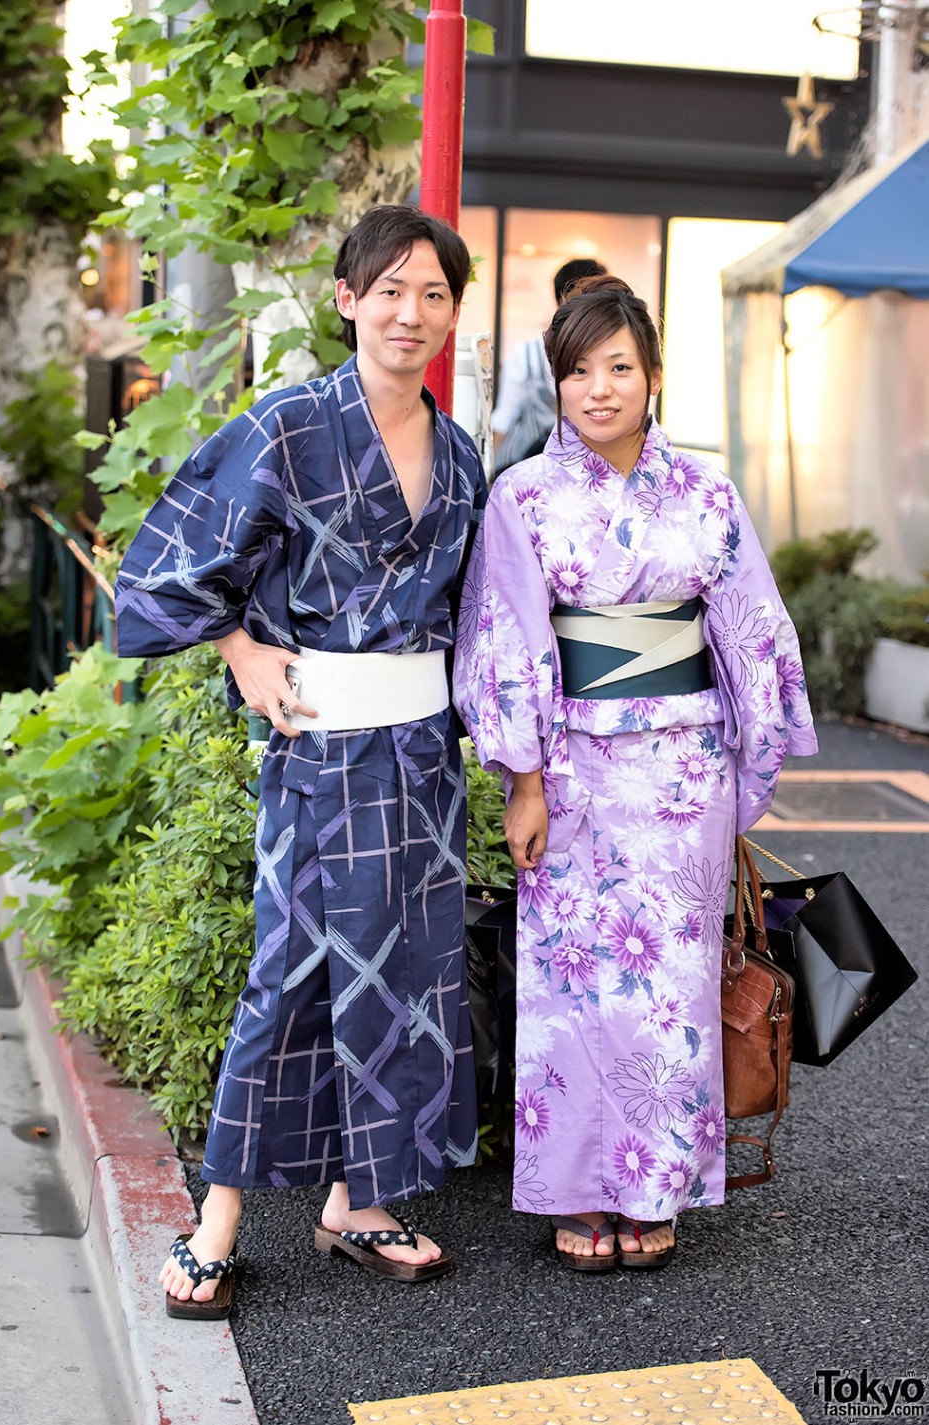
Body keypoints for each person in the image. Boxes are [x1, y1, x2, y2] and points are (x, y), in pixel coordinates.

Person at [115, 205, 487, 1314]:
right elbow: (166, 566)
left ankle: (358, 1202)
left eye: (431, 294)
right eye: (388, 291)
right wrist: (236, 645)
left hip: (422, 759)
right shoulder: (286, 425)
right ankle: (217, 1218)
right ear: (345, 299)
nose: (408, 314)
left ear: (453, 312)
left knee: (412, 976)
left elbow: (484, 617)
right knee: (288, 978)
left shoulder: (461, 453)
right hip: (319, 750)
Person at [454, 275, 816, 1271]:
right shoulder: (522, 496)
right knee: (573, 989)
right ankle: (577, 1187)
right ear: (555, 383)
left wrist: (750, 761)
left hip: (678, 774)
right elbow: (507, 635)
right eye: (576, 371)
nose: (598, 388)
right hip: (570, 772)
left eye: (618, 367)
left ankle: (653, 1189)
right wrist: (521, 780)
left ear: (652, 376)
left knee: (667, 984)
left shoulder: (705, 494)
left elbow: (746, 623)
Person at [491, 258, 607, 474]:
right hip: (591, 469)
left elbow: (504, 419)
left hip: (527, 469)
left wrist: (487, 471)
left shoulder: (526, 355)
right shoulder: (613, 358)